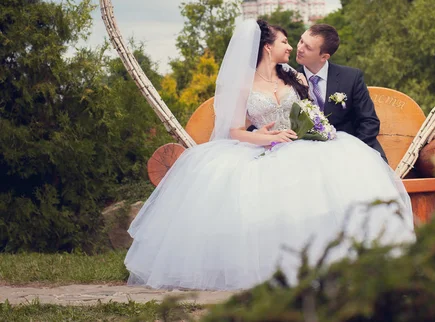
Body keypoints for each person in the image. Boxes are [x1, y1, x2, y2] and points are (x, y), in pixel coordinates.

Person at [125, 19, 414, 291]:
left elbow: (308, 113)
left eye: (298, 43)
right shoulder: (242, 83)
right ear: (267, 47)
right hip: (264, 147)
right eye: (286, 42)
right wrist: (265, 137)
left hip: (301, 145)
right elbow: (235, 130)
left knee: (324, 182)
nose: (292, 47)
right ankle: (272, 268)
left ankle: (333, 262)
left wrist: (312, 130)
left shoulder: (292, 76)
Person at [296, 24, 387, 162]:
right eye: (301, 41)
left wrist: (353, 152)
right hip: (308, 154)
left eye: (308, 47)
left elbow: (369, 121)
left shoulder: (351, 77)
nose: (299, 48)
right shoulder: (289, 78)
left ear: (324, 56)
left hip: (352, 149)